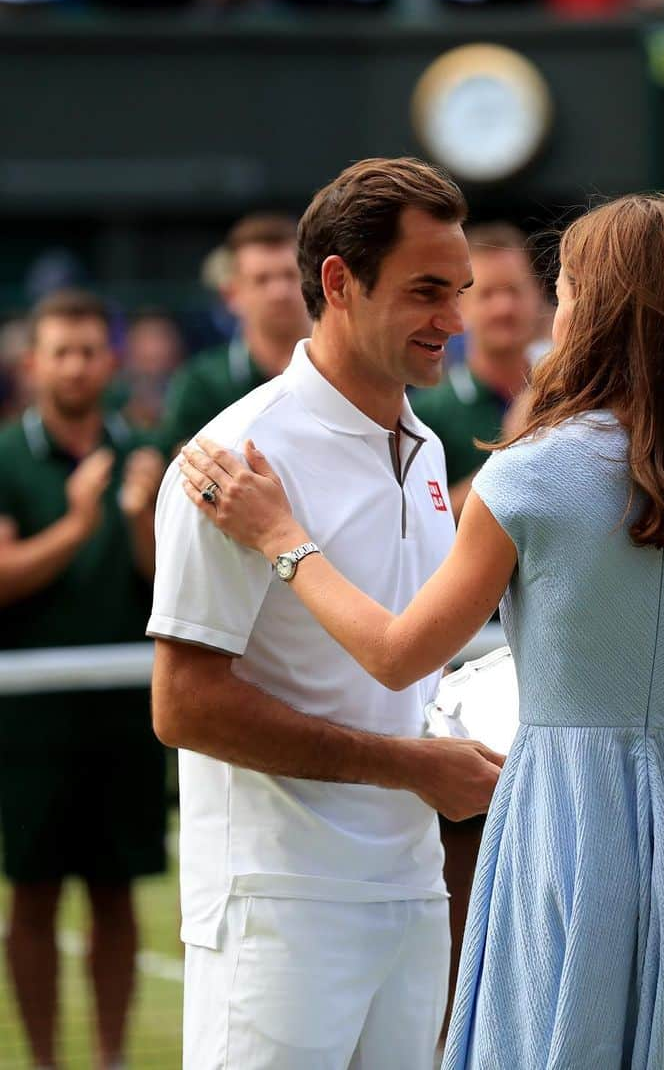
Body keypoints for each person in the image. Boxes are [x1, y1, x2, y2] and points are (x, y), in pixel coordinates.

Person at [177, 193, 664, 1069]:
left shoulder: (526, 475)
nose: (552, 310)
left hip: (560, 833)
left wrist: (281, 538)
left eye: (564, 290)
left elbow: (396, 654)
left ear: (593, 308)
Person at [147, 157, 504, 1069]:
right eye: (428, 291)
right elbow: (182, 705)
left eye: (460, 291)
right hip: (277, 905)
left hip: (412, 890)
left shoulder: (426, 449)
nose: (454, 321)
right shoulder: (233, 454)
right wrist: (408, 765)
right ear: (340, 283)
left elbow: (397, 667)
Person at [0, 289, 167, 1070]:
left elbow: (166, 580)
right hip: (28, 724)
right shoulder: (6, 458)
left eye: (89, 349)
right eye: (59, 350)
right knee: (30, 896)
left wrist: (138, 516)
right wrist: (73, 523)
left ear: (111, 360)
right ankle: (42, 1063)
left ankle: (107, 1060)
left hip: (124, 713)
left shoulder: (143, 449)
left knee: (116, 894)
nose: (75, 364)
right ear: (32, 363)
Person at [409, 218, 543, 1042]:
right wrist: (511, 461)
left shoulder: (572, 398)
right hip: (457, 671)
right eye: (480, 292)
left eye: (511, 291)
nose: (498, 308)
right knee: (461, 888)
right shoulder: (430, 406)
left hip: (552, 674)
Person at [411, 221, 542, 520]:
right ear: (461, 306)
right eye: (488, 294)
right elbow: (422, 522)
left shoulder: (570, 394)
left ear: (537, 296)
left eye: (515, 291)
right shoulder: (427, 413)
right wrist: (512, 455)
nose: (504, 308)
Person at [156, 212, 311, 452]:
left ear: (313, 282)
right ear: (231, 295)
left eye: (290, 275)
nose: (279, 291)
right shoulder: (201, 384)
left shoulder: (345, 373)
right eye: (262, 280)